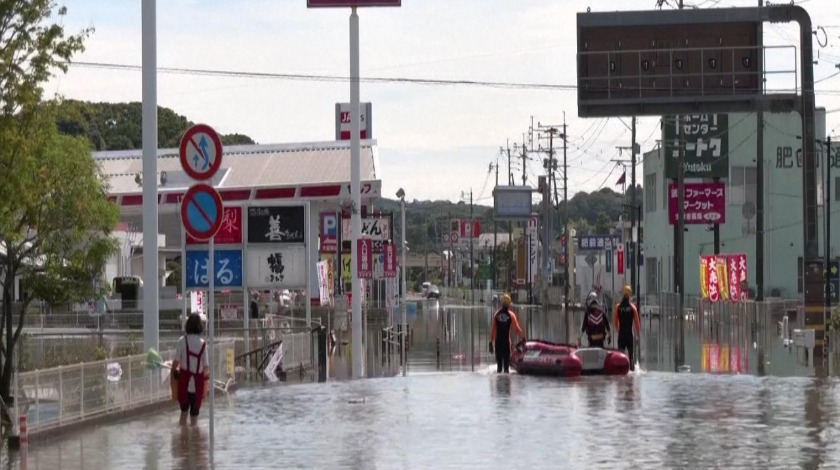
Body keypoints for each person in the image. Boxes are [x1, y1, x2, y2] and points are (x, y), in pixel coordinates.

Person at [174, 313, 210, 425]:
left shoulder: (182, 341)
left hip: (184, 382)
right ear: (200, 326)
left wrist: (173, 373)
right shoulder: (203, 344)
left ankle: (182, 439)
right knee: (194, 417)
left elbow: (175, 362)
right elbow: (206, 367)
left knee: (183, 413)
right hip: (197, 385)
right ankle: (195, 440)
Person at [489, 294, 526, 374]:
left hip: (498, 343)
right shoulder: (511, 315)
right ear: (509, 304)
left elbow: (492, 330)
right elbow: (517, 328)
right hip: (506, 343)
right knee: (506, 369)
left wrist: (490, 343)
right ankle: (506, 384)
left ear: (502, 303)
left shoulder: (496, 314)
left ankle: (498, 384)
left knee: (499, 368)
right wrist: (523, 338)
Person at [613, 285, 641, 371]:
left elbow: (615, 322)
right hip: (629, 335)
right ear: (629, 295)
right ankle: (631, 372)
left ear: (623, 294)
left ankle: (621, 373)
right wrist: (637, 334)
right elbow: (637, 322)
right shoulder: (633, 308)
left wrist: (618, 330)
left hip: (621, 335)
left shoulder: (618, 307)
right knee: (631, 357)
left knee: (621, 357)